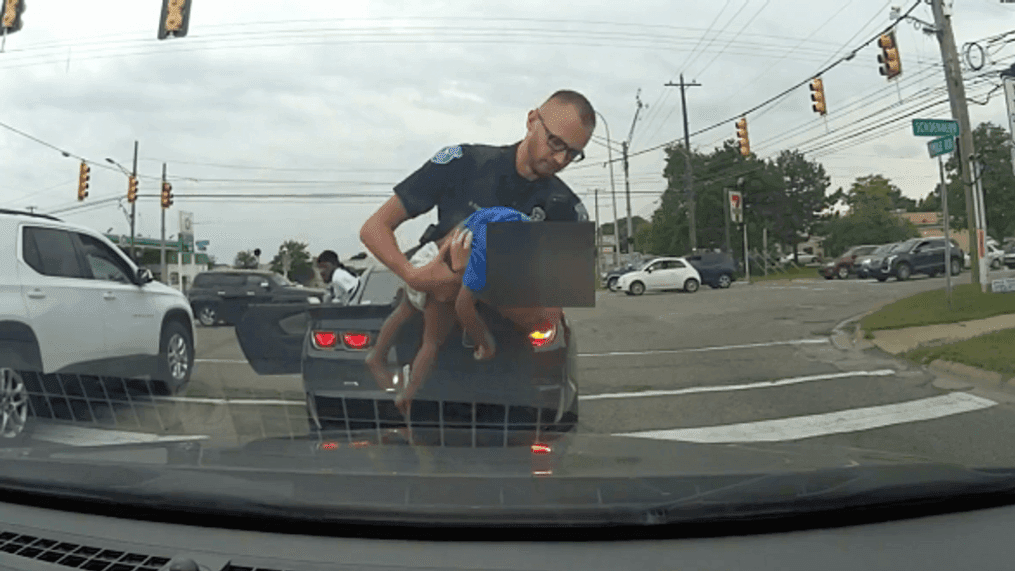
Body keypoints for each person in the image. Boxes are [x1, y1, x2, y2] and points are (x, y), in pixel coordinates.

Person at [359, 89, 595, 417]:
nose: (560, 160)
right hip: (429, 376)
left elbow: (546, 319)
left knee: (519, 464)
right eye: (556, 143)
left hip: (513, 380)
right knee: (420, 459)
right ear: (531, 120)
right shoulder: (463, 163)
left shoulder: (566, 211)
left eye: (573, 153)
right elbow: (374, 228)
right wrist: (415, 275)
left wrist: (478, 277)